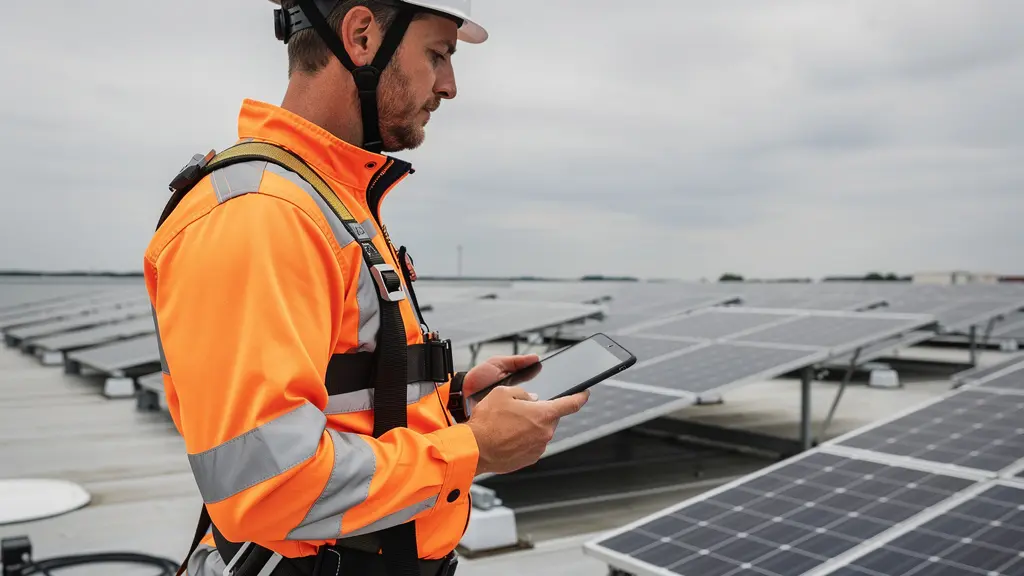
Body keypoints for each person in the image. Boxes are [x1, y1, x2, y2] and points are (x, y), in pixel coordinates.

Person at [143, 1, 590, 575]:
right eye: (438, 55)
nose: (449, 87)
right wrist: (473, 449)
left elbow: (341, 397)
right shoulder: (262, 216)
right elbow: (269, 484)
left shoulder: (323, 198)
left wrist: (452, 406)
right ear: (360, 36)